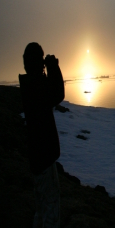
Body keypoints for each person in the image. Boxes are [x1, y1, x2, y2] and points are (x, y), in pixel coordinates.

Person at [19, 42, 64, 228]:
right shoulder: (36, 87)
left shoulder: (29, 85)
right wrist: (53, 67)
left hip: (37, 159)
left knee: (41, 206)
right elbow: (57, 94)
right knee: (50, 207)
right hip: (44, 160)